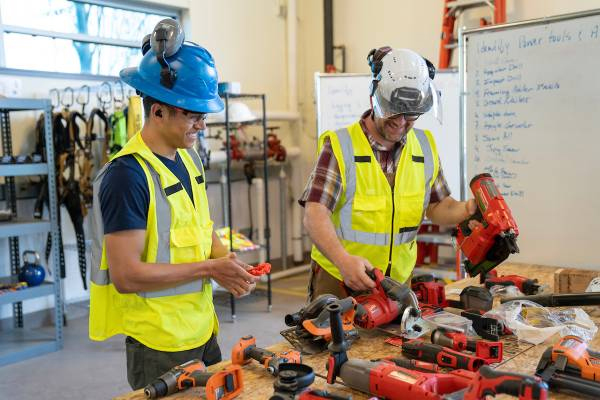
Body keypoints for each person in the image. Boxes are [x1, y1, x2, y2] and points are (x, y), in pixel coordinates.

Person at [88, 19, 259, 390]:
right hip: (159, 347)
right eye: (193, 114)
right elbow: (126, 274)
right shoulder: (127, 176)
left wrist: (225, 263)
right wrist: (209, 268)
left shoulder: (189, 158)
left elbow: (199, 227)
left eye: (203, 114)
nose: (201, 124)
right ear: (159, 111)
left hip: (202, 331)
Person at [300, 46, 478, 301]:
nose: (401, 121)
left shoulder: (424, 146)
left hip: (397, 283)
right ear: (376, 97)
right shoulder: (340, 146)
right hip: (340, 279)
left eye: (411, 115)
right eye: (393, 111)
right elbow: (314, 215)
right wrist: (343, 261)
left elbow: (439, 206)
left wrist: (468, 209)